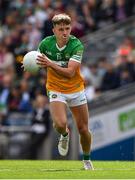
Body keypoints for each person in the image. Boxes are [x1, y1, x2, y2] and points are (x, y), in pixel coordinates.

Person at [36, 13, 94, 170]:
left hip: (76, 89)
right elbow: (37, 61)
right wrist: (30, 64)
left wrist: (50, 63)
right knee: (60, 124)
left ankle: (87, 160)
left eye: (67, 28)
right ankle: (65, 135)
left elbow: (69, 72)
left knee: (83, 129)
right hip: (55, 88)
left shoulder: (77, 45)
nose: (64, 33)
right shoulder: (45, 44)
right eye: (60, 29)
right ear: (54, 30)